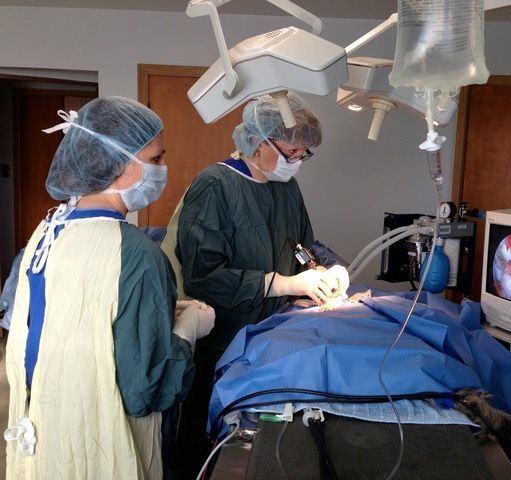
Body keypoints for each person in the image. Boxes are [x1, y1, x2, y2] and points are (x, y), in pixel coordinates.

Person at [3, 96, 215, 480]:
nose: (163, 169)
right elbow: (145, 390)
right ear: (117, 162)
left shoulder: (44, 234)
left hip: (45, 437)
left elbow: (46, 323)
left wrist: (158, 310)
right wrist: (187, 331)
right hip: (106, 448)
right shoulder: (136, 254)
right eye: (154, 160)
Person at [162, 92, 350, 478]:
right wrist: (281, 284)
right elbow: (204, 275)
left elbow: (300, 246)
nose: (296, 161)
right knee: (204, 440)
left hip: (271, 333)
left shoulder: (285, 187)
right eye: (291, 151)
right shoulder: (215, 185)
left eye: (304, 154)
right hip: (221, 340)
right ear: (258, 140)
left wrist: (325, 269)